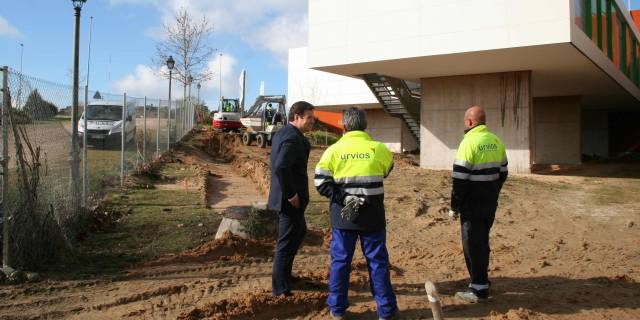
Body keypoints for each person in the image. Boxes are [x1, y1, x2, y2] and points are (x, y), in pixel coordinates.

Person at [315, 107, 398, 320]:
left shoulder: (333, 151)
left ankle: (337, 309)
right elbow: (386, 170)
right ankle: (386, 312)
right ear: (365, 126)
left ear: (344, 126)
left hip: (343, 217)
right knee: (378, 262)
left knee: (341, 262)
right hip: (373, 216)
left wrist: (343, 196)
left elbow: (321, 182)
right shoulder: (378, 148)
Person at [449, 106, 508, 303]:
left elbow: (459, 179)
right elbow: (503, 172)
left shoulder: (468, 142)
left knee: (472, 244)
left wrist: (454, 206)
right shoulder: (496, 140)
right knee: (482, 241)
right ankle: (482, 279)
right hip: (490, 203)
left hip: (471, 205)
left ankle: (479, 288)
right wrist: (493, 191)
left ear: (469, 122)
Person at [269, 100, 316, 296]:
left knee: (299, 233)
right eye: (309, 118)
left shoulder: (283, 133)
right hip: (289, 202)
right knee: (286, 244)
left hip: (287, 200)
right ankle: (281, 289)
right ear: (296, 117)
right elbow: (281, 166)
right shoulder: (292, 138)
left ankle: (285, 276)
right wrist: (291, 195)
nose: (313, 121)